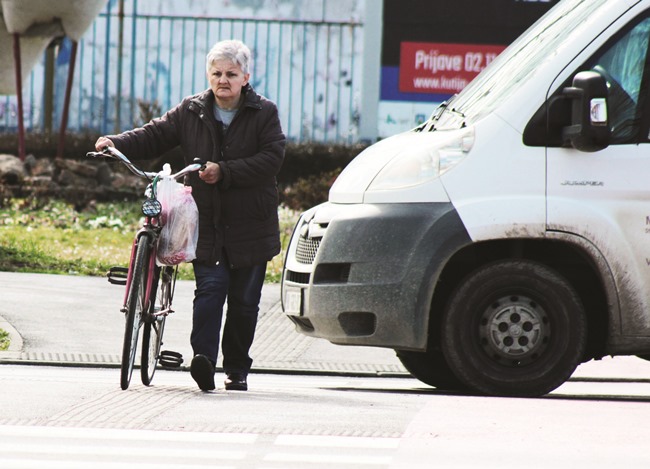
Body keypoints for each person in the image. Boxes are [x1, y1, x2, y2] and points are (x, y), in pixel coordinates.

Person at [95, 39, 286, 392]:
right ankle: (204, 360)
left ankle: (237, 369)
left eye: (231, 73)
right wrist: (116, 142)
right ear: (208, 75)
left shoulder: (264, 113)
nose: (223, 80)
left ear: (246, 76)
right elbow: (154, 134)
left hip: (251, 226)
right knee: (210, 290)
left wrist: (224, 171)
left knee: (244, 303)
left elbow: (272, 159)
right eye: (216, 73)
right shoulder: (192, 110)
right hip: (207, 222)